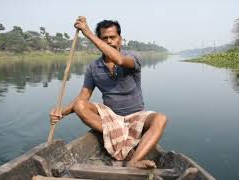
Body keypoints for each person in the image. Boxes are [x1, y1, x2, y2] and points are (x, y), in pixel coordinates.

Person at [50, 16, 167, 169]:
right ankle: (122, 140)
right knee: (80, 105)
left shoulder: (132, 57)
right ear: (100, 41)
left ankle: (133, 161)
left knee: (161, 118)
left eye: (113, 37)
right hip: (111, 119)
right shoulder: (93, 67)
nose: (109, 41)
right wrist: (61, 112)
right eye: (105, 38)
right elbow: (83, 97)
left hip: (135, 116)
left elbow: (119, 60)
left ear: (120, 39)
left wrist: (88, 33)